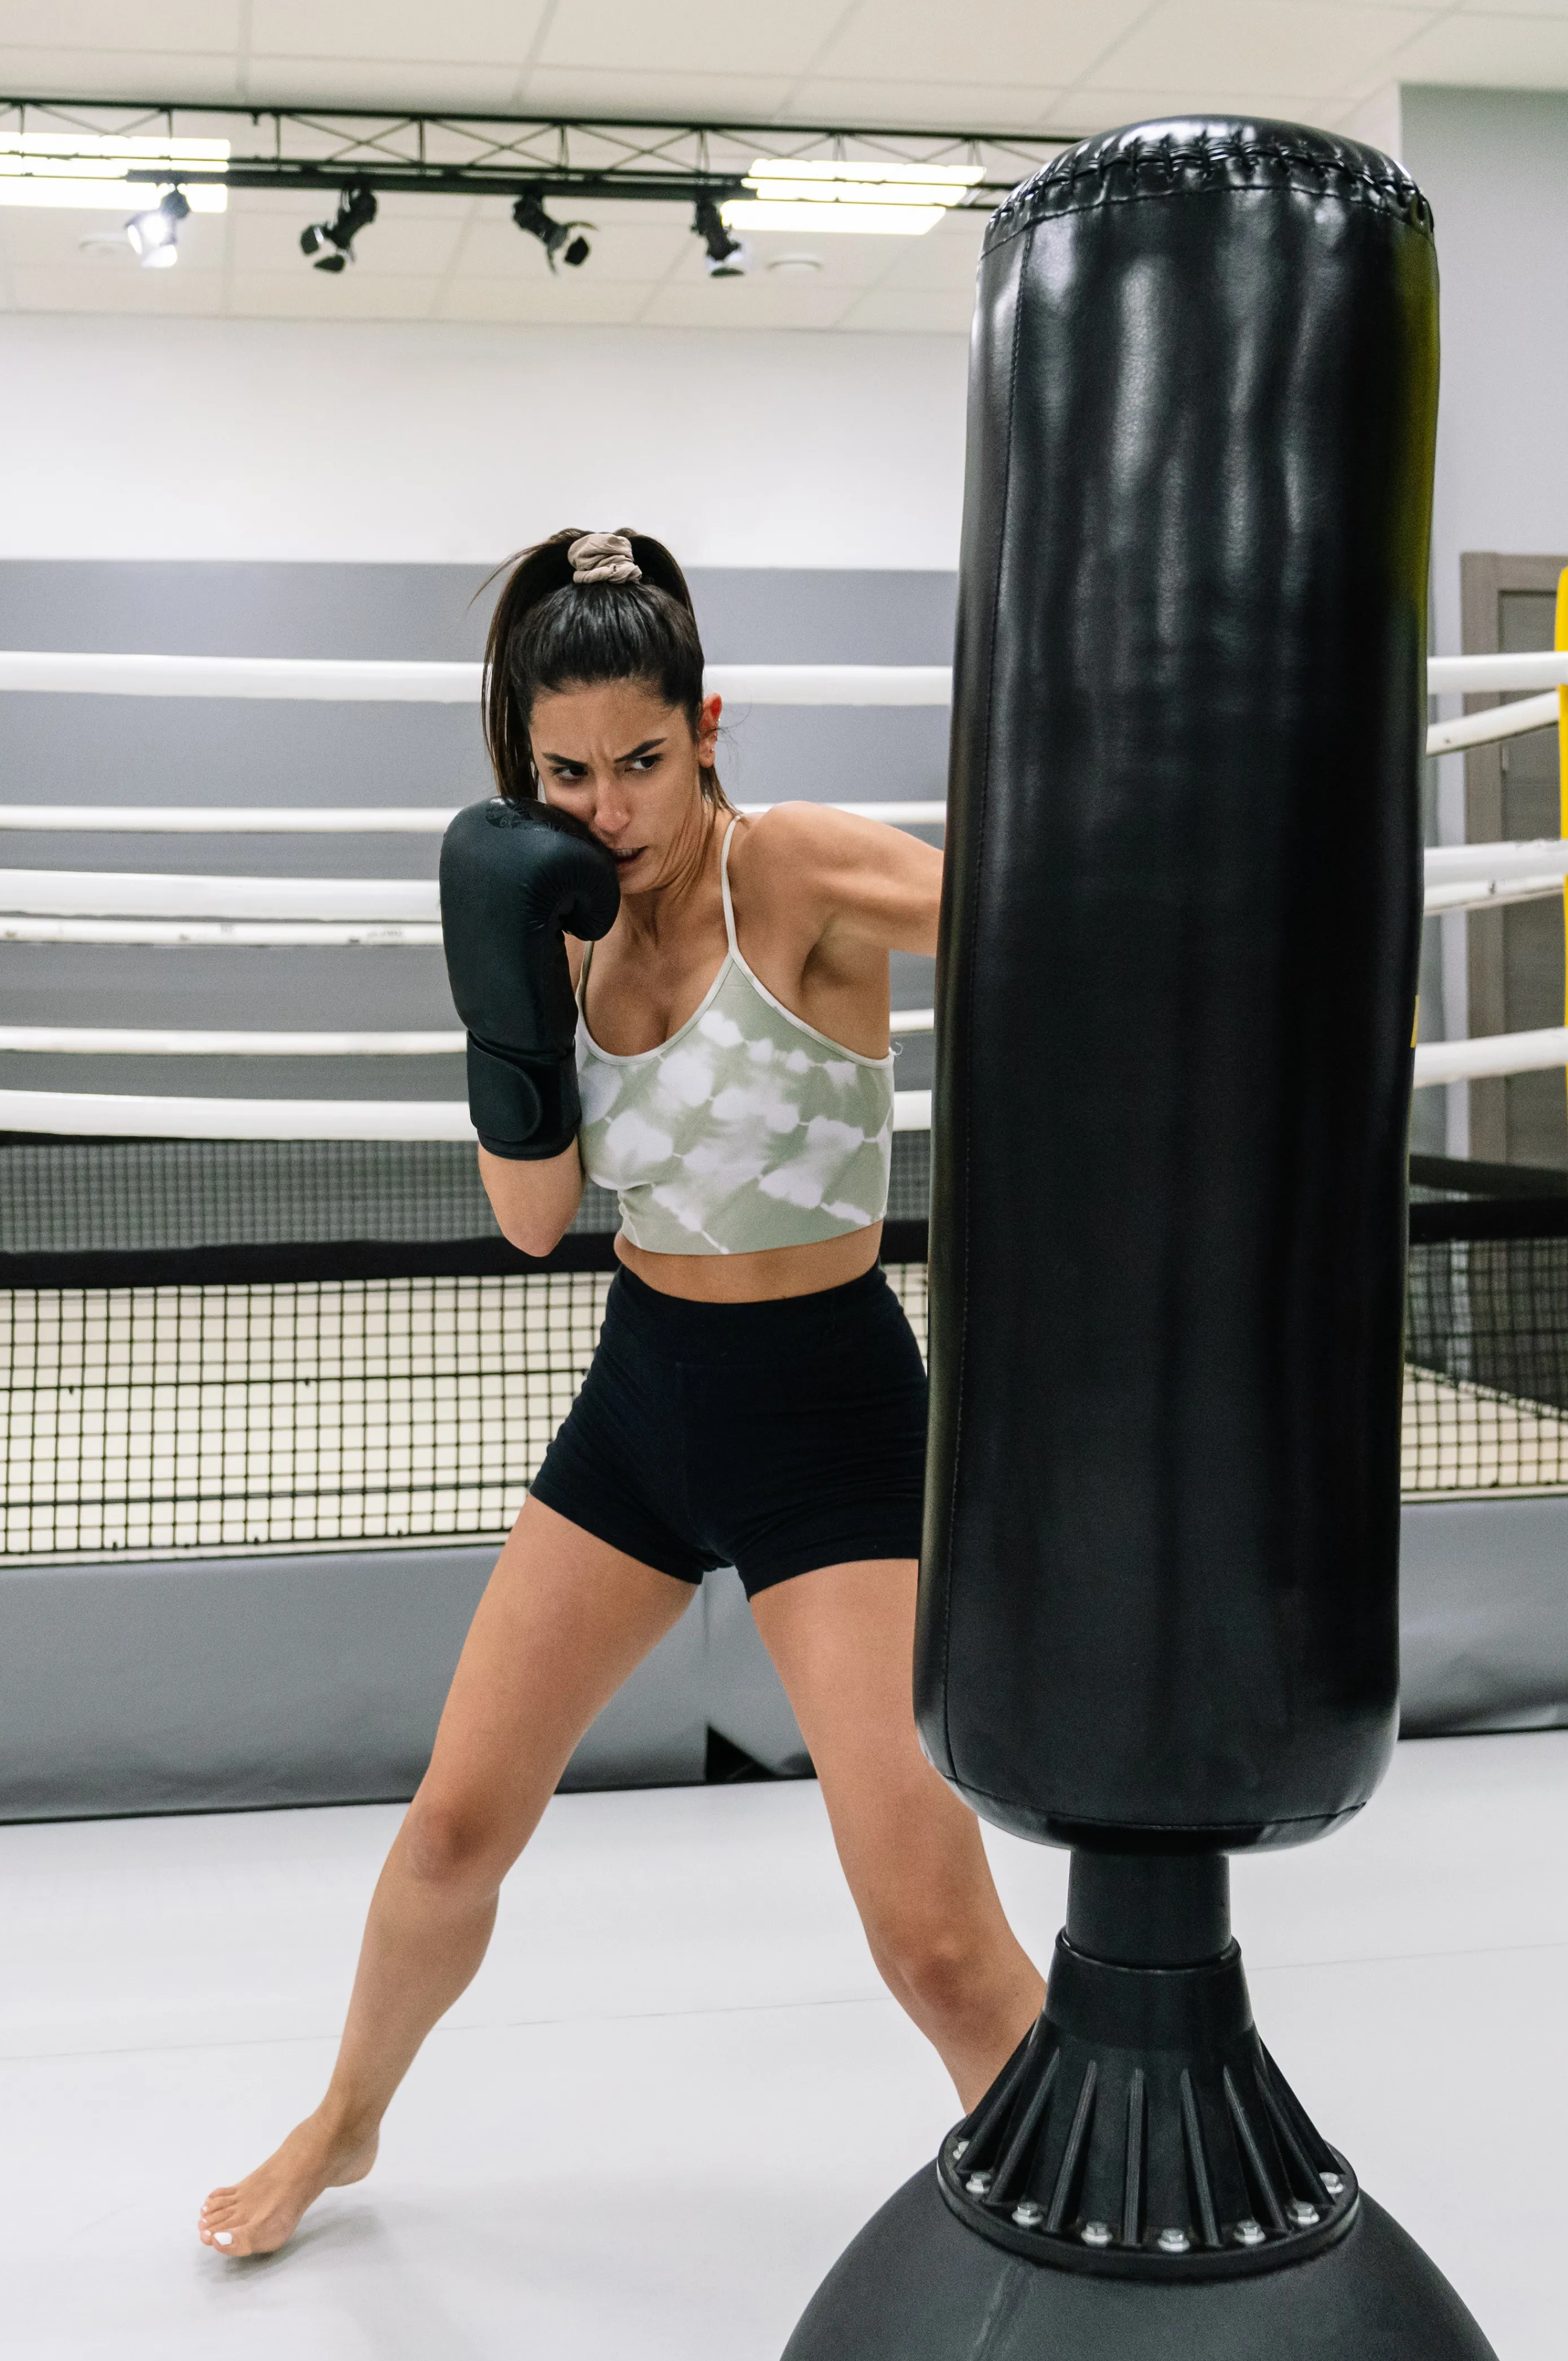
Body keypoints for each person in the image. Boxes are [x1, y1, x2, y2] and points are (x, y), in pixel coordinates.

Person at [201, 527, 1044, 2258]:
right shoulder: (560, 924)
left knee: (933, 1935)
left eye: (642, 762)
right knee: (453, 1825)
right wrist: (502, 1000)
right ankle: (346, 2124)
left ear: (709, 726)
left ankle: (1083, 2195)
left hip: (832, 1422)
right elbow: (532, 1225)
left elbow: (1036, 923)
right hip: (645, 1403)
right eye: (565, 771)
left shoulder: (792, 875)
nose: (608, 809)